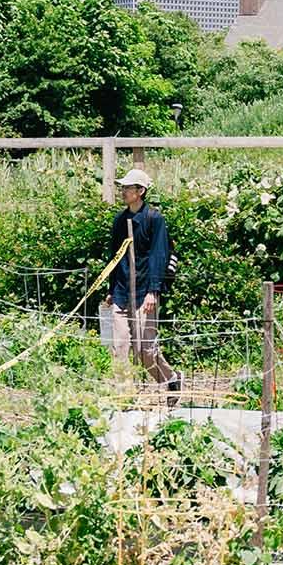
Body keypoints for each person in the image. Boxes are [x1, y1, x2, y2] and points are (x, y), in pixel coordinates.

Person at [108, 168, 179, 395]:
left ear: (140, 191)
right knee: (119, 347)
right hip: (121, 290)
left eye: (128, 187)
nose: (123, 191)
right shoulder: (120, 221)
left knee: (144, 349)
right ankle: (124, 396)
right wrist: (111, 289)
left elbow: (159, 255)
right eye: (123, 187)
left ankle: (170, 380)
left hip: (144, 290)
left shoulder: (154, 219)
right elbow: (114, 257)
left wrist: (153, 291)